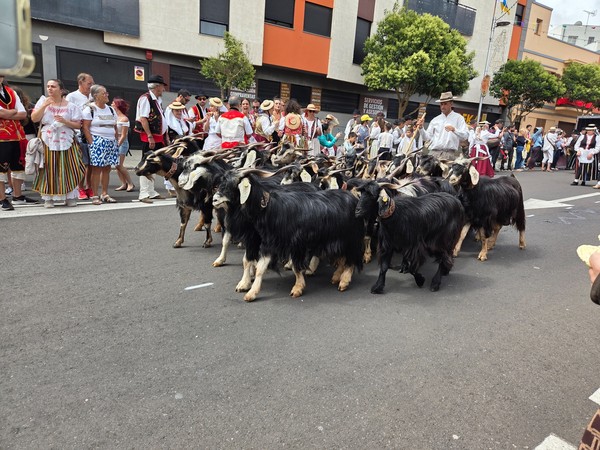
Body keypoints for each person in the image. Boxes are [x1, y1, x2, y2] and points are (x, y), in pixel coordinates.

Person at [30, 79, 85, 208]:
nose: (49, 89)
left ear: (61, 90)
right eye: (48, 86)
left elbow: (78, 124)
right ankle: (48, 198)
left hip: (66, 139)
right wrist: (44, 105)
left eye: (53, 86)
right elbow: (34, 118)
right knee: (48, 167)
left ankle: (69, 196)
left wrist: (65, 121)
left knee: (68, 167)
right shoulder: (43, 102)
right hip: (48, 138)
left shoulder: (71, 106)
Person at [133, 74, 169, 203]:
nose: (163, 90)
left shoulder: (156, 99)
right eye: (162, 87)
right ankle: (143, 194)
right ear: (157, 87)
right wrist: (149, 136)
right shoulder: (146, 99)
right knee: (146, 164)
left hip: (158, 137)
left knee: (154, 164)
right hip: (150, 137)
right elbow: (143, 118)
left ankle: (151, 191)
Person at [0, 75, 33, 210]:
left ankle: (18, 196)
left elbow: (23, 113)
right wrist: (13, 112)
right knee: (1, 168)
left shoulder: (10, 91)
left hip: (17, 135)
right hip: (1, 136)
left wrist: (8, 113)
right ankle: (2, 199)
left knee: (18, 166)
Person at [82, 84, 119, 205]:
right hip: (98, 140)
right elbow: (86, 127)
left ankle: (105, 193)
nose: (107, 95)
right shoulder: (90, 109)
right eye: (104, 93)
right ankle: (95, 195)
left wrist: (116, 140)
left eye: (106, 93)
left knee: (107, 168)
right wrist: (92, 143)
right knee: (96, 169)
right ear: (96, 96)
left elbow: (114, 126)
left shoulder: (111, 109)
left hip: (111, 141)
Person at [66, 72, 94, 200]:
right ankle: (80, 188)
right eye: (89, 83)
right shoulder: (72, 97)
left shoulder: (93, 97)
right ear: (80, 83)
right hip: (79, 134)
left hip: (93, 133)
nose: (91, 86)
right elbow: (67, 114)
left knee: (92, 164)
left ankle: (89, 187)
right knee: (83, 163)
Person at [416, 91, 468, 160]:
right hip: (434, 153)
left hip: (450, 154)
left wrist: (454, 130)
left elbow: (465, 136)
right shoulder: (435, 120)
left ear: (451, 104)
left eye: (445, 104)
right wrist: (421, 128)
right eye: (441, 104)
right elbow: (427, 138)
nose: (443, 106)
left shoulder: (459, 118)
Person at [111, 97, 134, 192]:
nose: (111, 104)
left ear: (117, 105)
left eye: (113, 103)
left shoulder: (124, 119)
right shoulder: (114, 117)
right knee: (116, 165)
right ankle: (123, 183)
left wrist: (118, 145)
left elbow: (124, 135)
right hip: (115, 141)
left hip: (122, 143)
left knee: (119, 164)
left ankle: (130, 183)